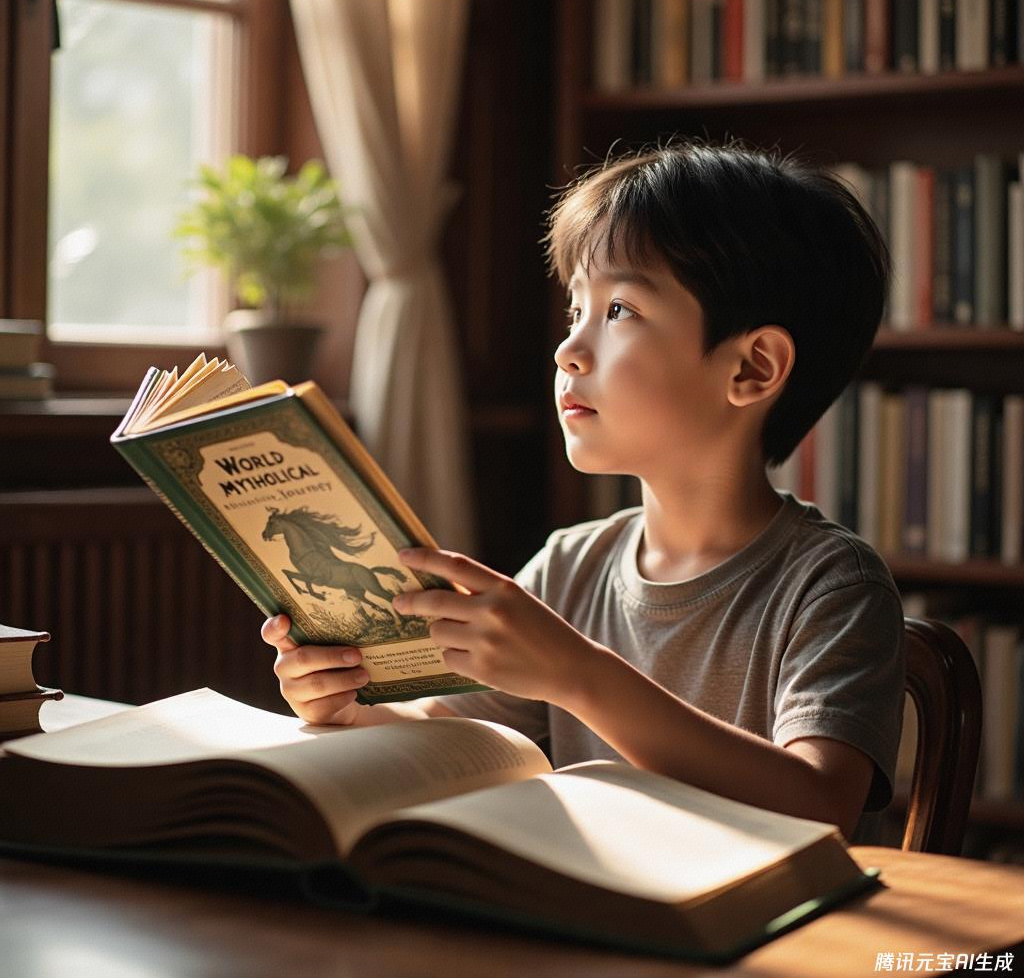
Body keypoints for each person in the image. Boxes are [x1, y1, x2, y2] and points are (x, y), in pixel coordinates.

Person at [261, 139, 904, 840]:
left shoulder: (833, 586)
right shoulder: (570, 566)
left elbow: (818, 804)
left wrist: (578, 675)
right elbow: (452, 736)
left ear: (753, 368)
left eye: (620, 310)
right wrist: (349, 707)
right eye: (576, 311)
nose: (568, 349)